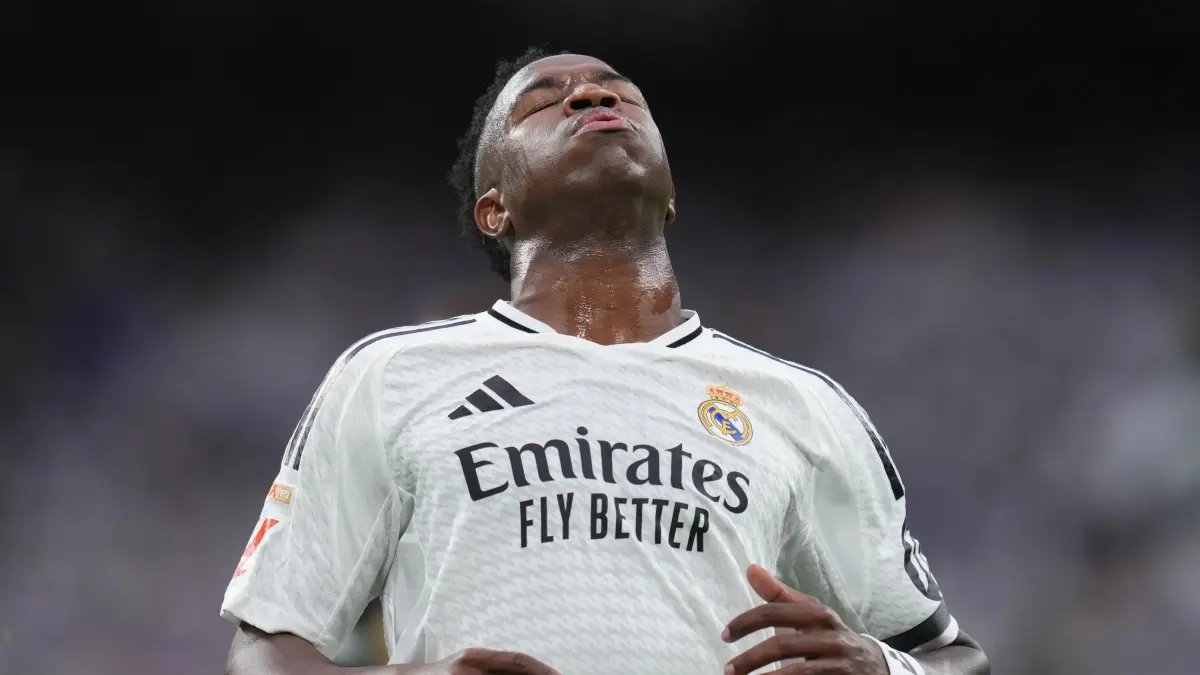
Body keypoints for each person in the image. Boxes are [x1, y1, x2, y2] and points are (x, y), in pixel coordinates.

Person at [221, 48, 991, 675]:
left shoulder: (801, 405)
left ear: (670, 192)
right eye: (544, 101)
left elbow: (955, 658)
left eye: (619, 92)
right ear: (495, 207)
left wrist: (885, 667)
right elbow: (262, 652)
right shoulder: (392, 377)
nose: (593, 96)